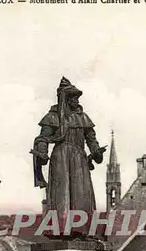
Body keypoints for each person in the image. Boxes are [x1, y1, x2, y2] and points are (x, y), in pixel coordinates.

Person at [31, 77, 106, 235]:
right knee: (61, 193)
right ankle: (60, 229)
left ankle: (82, 229)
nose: (76, 100)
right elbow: (43, 137)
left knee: (81, 193)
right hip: (61, 157)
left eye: (77, 97)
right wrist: (42, 152)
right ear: (64, 99)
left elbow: (91, 138)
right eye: (73, 97)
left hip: (79, 158)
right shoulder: (54, 115)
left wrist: (96, 151)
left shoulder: (82, 116)